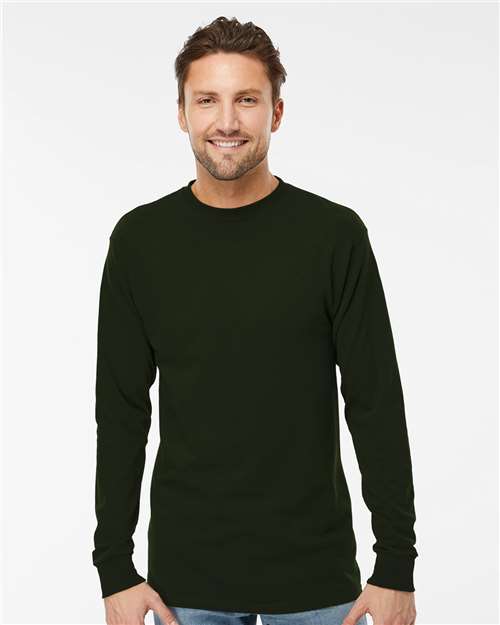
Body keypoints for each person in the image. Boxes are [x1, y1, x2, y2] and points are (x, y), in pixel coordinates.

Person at [91, 15, 418, 625]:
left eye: (246, 99)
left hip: (318, 581)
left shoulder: (333, 236)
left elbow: (375, 401)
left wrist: (396, 563)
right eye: (206, 100)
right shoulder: (140, 242)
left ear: (277, 112)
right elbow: (120, 411)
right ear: (181, 113)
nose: (227, 121)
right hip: (185, 585)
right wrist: (115, 568)